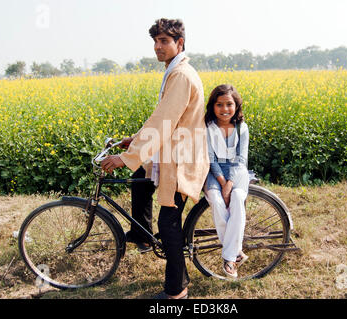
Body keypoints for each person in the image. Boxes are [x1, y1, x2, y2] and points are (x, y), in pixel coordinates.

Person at [101, 18, 209, 299]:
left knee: (168, 223)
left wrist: (126, 157)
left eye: (164, 41)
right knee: (140, 179)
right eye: (155, 41)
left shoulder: (182, 76)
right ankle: (142, 236)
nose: (157, 47)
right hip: (170, 150)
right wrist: (134, 141)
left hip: (182, 157)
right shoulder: (174, 72)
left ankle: (178, 290)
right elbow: (160, 116)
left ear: (179, 44)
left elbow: (163, 122)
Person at [203, 84, 250, 278]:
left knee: (237, 197)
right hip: (214, 172)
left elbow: (241, 159)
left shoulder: (242, 128)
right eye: (219, 104)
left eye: (229, 104)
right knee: (216, 199)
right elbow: (210, 158)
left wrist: (230, 182)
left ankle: (229, 257)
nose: (225, 109)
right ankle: (235, 253)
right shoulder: (208, 127)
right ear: (212, 107)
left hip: (237, 171)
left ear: (236, 106)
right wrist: (222, 183)